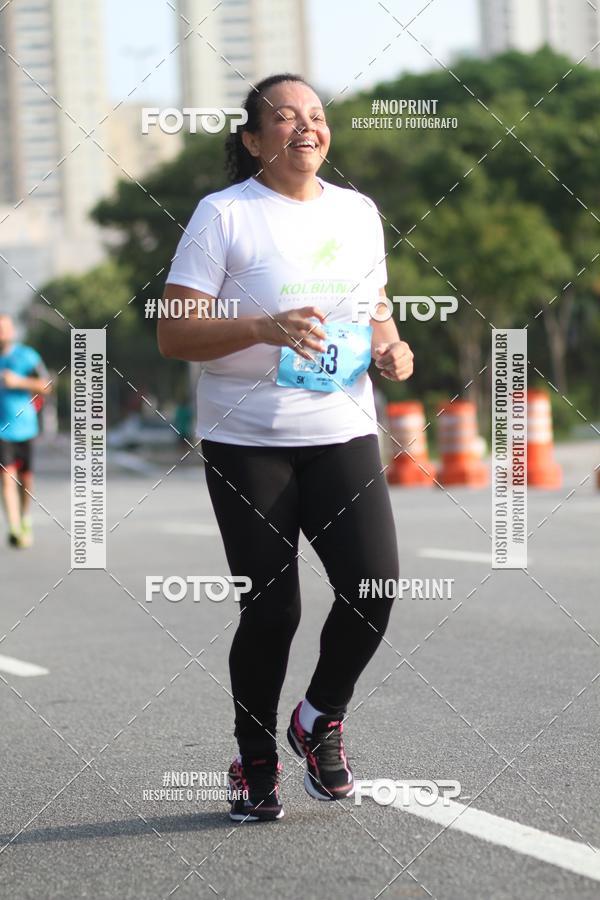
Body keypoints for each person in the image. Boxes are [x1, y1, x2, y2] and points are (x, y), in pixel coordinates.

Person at [158, 73, 413, 822]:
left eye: (316, 115)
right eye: (285, 117)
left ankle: (319, 717)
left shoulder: (358, 213)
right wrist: (264, 326)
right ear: (252, 139)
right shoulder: (223, 216)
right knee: (272, 611)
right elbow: (175, 333)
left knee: (372, 590)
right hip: (248, 441)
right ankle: (256, 760)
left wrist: (393, 346)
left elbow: (375, 311)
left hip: (343, 430)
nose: (306, 126)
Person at [0, 315, 52, 548]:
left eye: (4, 328)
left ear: (12, 331)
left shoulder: (27, 356)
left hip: (25, 426)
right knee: (6, 477)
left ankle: (24, 518)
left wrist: (19, 382)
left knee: (26, 479)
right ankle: (13, 527)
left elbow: (47, 385)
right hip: (2, 430)